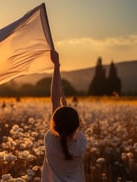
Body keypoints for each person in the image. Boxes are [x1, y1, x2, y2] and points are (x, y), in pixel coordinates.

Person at [41, 50, 87, 181]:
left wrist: (56, 66)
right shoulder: (81, 144)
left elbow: (54, 100)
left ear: (54, 124)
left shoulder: (50, 141)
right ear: (77, 125)